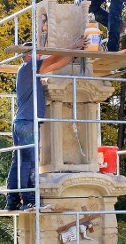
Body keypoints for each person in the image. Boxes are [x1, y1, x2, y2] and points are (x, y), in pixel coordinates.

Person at [6, 36, 88, 211]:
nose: (40, 56)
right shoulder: (28, 68)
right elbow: (52, 58)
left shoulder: (30, 71)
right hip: (27, 122)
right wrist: (74, 44)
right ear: (28, 56)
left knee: (18, 162)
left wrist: (74, 53)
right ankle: (28, 200)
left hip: (22, 122)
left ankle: (12, 201)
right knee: (28, 162)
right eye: (36, 54)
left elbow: (57, 63)